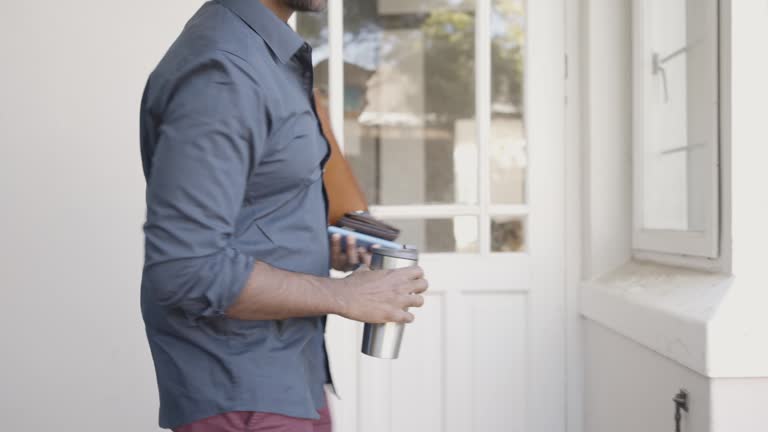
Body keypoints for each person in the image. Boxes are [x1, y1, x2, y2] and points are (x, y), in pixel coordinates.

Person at [138, 0, 429, 430]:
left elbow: (255, 213)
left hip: (288, 379)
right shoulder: (224, 71)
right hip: (242, 391)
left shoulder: (263, 56)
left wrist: (320, 242)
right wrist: (346, 296)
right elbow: (186, 269)